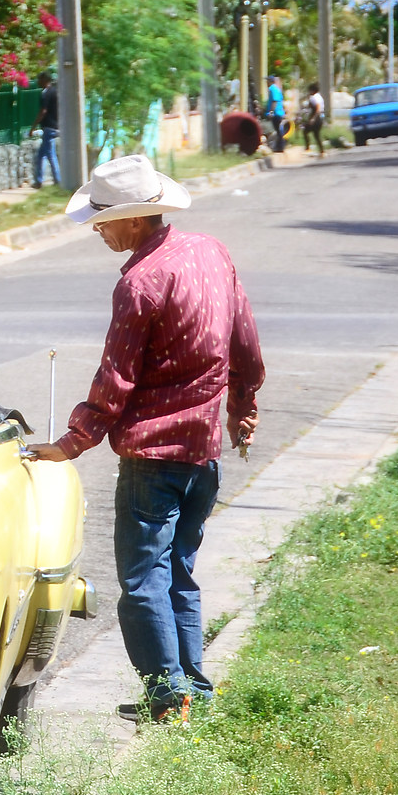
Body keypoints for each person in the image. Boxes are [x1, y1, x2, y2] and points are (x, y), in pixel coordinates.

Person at [28, 153, 264, 723]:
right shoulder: (211, 252)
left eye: (102, 220)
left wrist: (70, 443)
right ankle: (191, 692)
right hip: (202, 453)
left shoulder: (140, 282)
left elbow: (116, 381)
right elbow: (246, 345)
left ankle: (166, 698)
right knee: (177, 570)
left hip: (153, 459)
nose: (97, 229)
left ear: (136, 220)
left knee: (141, 581)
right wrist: (243, 408)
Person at [32, 70, 60, 189]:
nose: (38, 82)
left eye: (39, 79)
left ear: (45, 80)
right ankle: (38, 181)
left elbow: (43, 111)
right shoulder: (55, 92)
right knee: (41, 155)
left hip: (49, 128)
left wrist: (33, 126)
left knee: (50, 155)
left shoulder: (46, 93)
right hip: (54, 126)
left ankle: (58, 181)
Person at [300, 83, 326, 155]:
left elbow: (317, 107)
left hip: (316, 118)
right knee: (316, 135)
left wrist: (313, 118)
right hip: (320, 118)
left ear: (312, 90)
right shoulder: (319, 96)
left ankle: (308, 147)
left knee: (305, 131)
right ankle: (322, 150)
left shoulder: (314, 97)